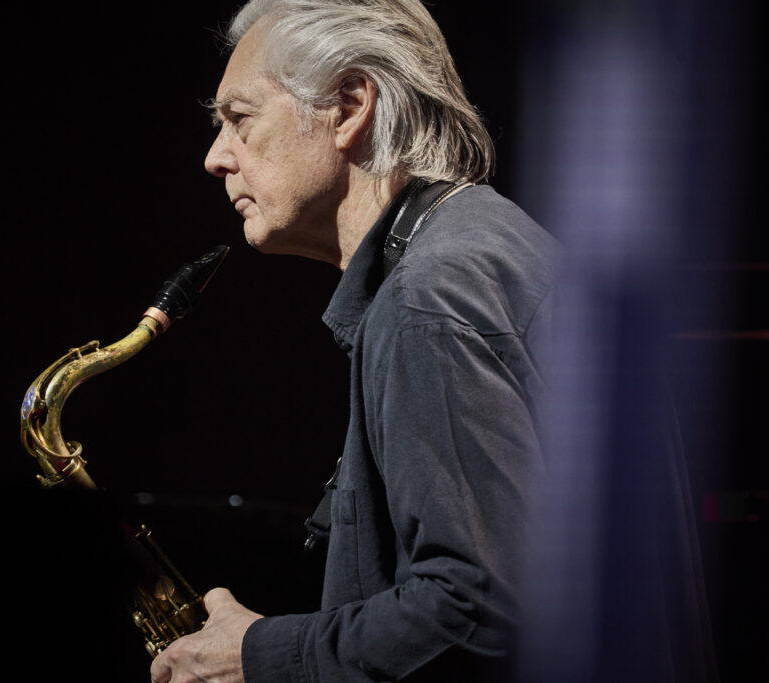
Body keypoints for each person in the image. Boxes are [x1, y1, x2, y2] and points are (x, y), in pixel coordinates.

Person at [151, 1, 559, 681]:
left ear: (348, 106)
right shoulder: (499, 244)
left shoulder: (427, 297)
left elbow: (480, 607)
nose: (215, 157)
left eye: (239, 118)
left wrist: (257, 657)